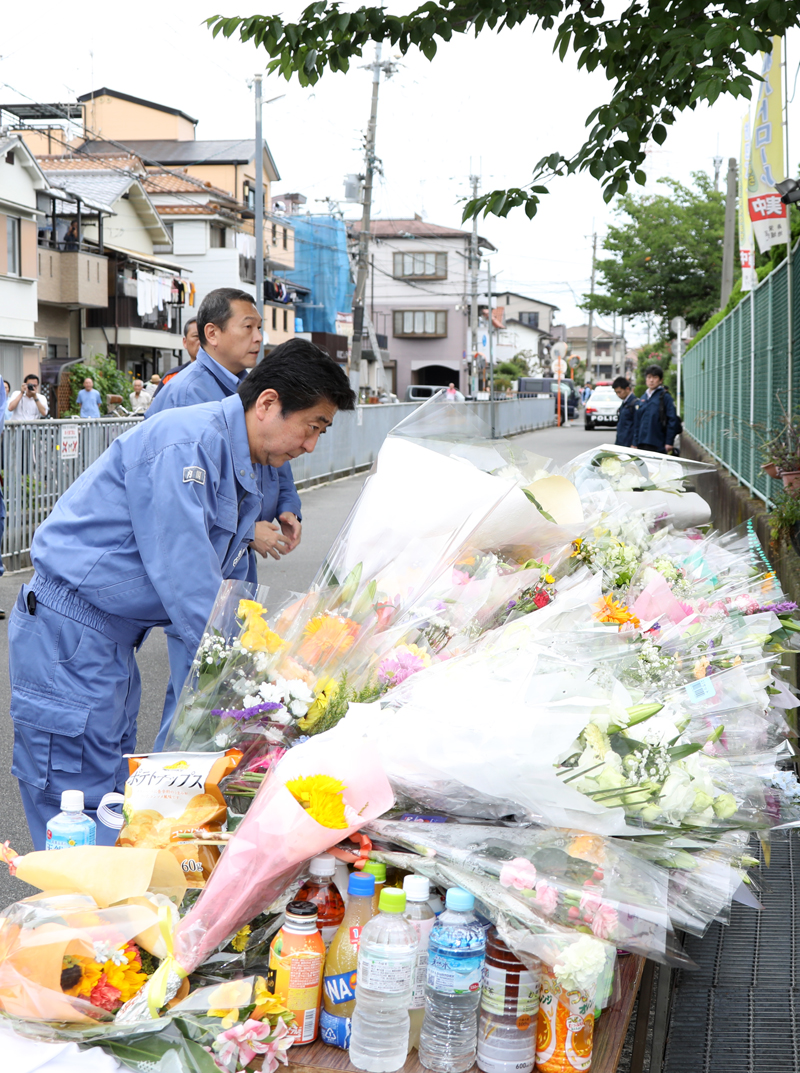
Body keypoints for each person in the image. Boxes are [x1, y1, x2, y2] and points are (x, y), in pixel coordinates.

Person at [8, 340, 355, 850]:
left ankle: (111, 919)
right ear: (267, 404)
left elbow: (223, 579)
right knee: (74, 798)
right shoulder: (185, 445)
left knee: (106, 790)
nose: (310, 446)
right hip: (71, 631)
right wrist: (250, 680)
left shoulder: (239, 455)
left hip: (107, 635)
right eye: (313, 426)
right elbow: (189, 578)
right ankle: (83, 923)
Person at [147, 289, 304, 741]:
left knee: (219, 685)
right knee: (197, 689)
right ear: (211, 334)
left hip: (236, 556)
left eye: (260, 327)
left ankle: (194, 784)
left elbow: (278, 455)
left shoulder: (249, 387)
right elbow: (174, 493)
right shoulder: (185, 391)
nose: (258, 336)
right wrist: (245, 528)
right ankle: (173, 788)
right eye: (248, 326)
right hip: (205, 560)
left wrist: (288, 504)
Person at [634, 364, 679, 454]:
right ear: (646, 379)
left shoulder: (665, 397)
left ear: (660, 380)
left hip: (658, 443)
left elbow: (672, 420)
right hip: (642, 443)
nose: (651, 380)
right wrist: (634, 442)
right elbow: (637, 422)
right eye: (649, 377)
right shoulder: (643, 398)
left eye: (655, 377)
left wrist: (669, 442)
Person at [154, 318, 200, 395]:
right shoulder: (171, 378)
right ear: (185, 342)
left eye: (205, 336)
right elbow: (157, 406)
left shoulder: (223, 375)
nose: (202, 341)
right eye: (196, 336)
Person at [612, 376, 637, 447]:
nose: (618, 395)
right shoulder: (624, 404)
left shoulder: (634, 404)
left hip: (629, 444)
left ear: (627, 389)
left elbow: (637, 426)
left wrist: (635, 443)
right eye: (616, 392)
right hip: (621, 442)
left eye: (619, 392)